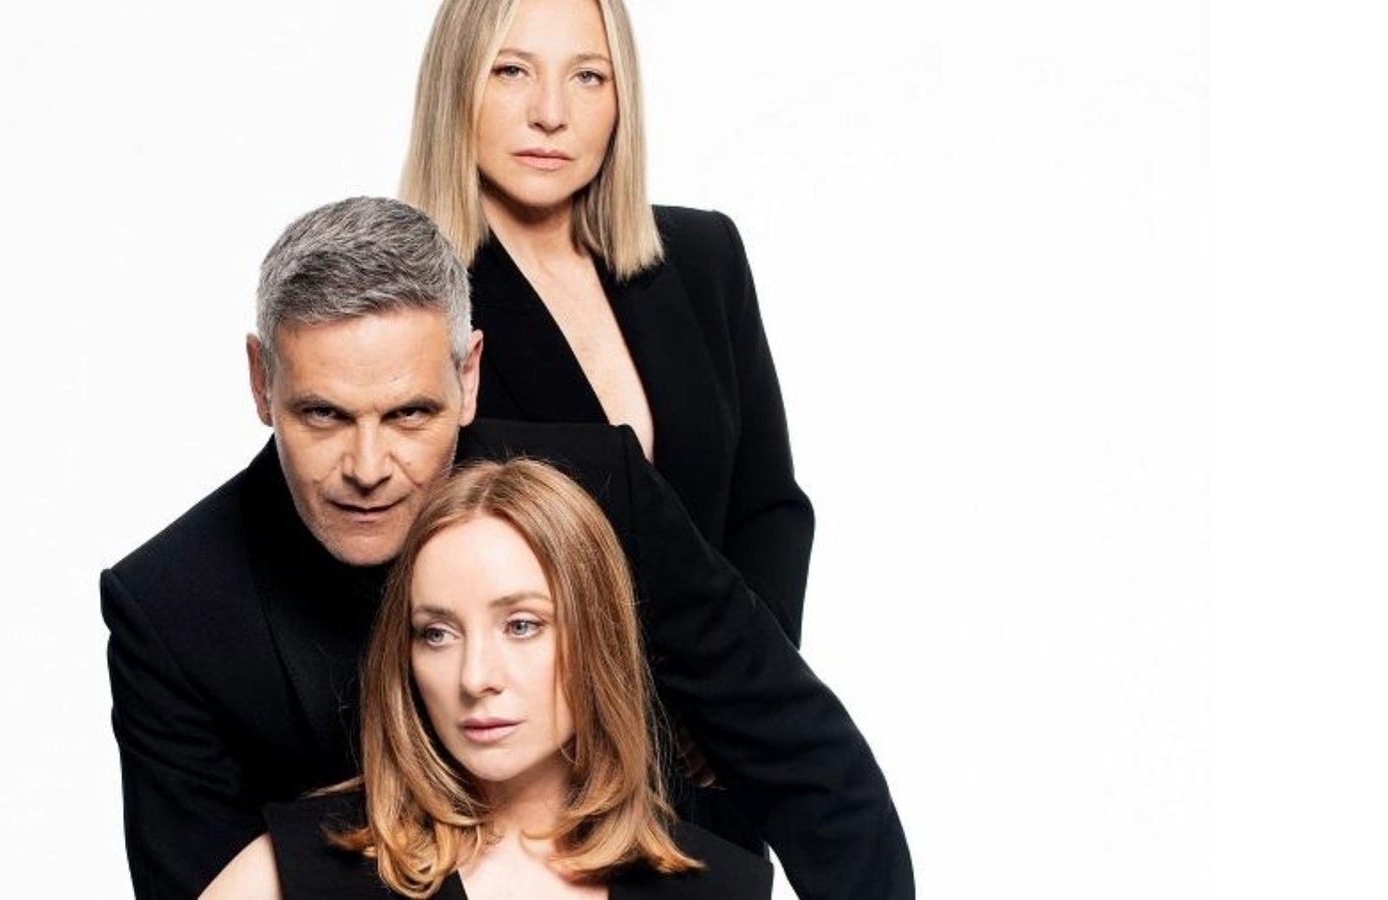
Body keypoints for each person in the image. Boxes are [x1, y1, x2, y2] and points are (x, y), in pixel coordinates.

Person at [102, 196, 910, 900]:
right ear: (260, 381)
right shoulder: (172, 608)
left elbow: (801, 756)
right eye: (323, 415)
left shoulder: (596, 488)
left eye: (410, 414)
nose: (368, 468)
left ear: (469, 376)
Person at [401, 0, 813, 647]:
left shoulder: (704, 256)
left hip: (731, 689)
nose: (551, 113)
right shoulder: (407, 299)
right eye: (512, 71)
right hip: (532, 700)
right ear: (456, 81)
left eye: (588, 76)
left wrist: (756, 678)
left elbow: (768, 507)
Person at [201, 459, 774, 899]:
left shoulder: (723, 887)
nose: (475, 678)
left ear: (597, 636)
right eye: (436, 633)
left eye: (522, 625)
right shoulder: (292, 874)